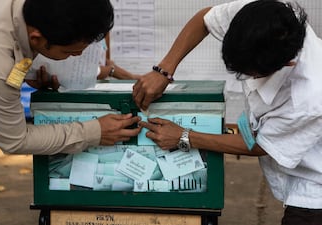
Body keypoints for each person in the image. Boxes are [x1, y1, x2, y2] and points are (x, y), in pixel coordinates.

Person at [0, 0, 142, 224]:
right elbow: (15, 140)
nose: (76, 57)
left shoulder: (21, 12)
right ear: (37, 38)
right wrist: (94, 131)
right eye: (70, 53)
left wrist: (32, 70)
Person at [133, 0, 322, 224]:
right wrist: (164, 70)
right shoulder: (262, 17)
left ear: (286, 64)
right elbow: (205, 19)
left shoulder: (310, 97)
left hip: (314, 187)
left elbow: (262, 145)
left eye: (250, 74)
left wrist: (185, 137)